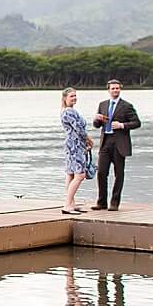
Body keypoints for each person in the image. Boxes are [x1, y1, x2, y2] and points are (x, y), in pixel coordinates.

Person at [91, 78, 141, 211]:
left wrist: (122, 125)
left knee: (119, 174)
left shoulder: (127, 106)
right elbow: (96, 125)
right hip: (105, 142)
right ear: (108, 90)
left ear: (120, 89)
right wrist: (97, 119)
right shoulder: (103, 104)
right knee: (101, 172)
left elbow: (137, 123)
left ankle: (114, 202)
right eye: (113, 88)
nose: (115, 90)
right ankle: (101, 202)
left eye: (117, 88)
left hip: (119, 143)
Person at [59, 87, 94, 215]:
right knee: (80, 175)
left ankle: (71, 203)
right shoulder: (68, 112)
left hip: (72, 144)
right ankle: (67, 204)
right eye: (71, 96)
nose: (74, 98)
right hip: (75, 145)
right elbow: (79, 129)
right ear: (65, 98)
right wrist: (88, 140)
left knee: (71, 174)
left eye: (75, 96)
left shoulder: (69, 111)